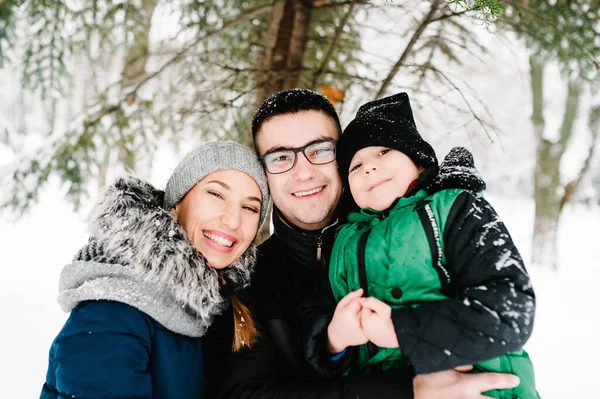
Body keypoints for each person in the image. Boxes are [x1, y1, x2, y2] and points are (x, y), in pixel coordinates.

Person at [203, 88, 521, 399]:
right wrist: (407, 392)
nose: (303, 172)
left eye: (320, 150)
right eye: (281, 157)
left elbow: (505, 306)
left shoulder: (438, 223)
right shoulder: (249, 281)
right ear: (263, 175)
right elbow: (244, 392)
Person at [301, 92, 539, 399]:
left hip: (483, 387)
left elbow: (510, 308)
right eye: (355, 166)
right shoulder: (340, 243)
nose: (369, 167)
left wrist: (400, 330)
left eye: (384, 152)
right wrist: (334, 338)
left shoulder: (455, 208)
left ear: (418, 161)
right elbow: (315, 315)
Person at [41, 141, 270, 399]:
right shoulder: (115, 312)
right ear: (176, 203)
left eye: (250, 207)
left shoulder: (219, 307)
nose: (232, 220)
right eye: (216, 194)